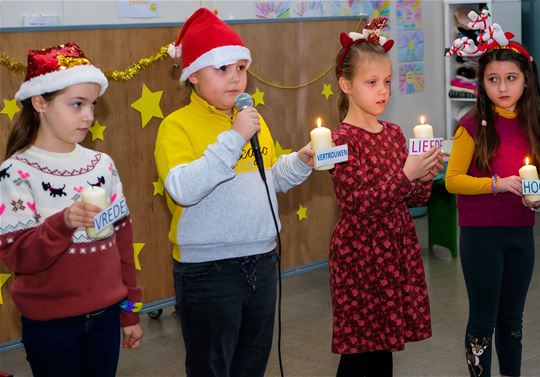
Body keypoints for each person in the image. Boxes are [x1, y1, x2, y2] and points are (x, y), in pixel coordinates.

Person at [154, 8, 314, 377]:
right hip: (208, 271)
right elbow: (183, 188)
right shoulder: (176, 126)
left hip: (261, 260)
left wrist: (302, 161)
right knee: (212, 367)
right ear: (193, 74)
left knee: (251, 365)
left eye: (241, 68)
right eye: (222, 69)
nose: (236, 79)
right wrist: (234, 137)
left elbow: (268, 180)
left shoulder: (251, 121)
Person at [0, 43, 143, 377]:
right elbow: (19, 257)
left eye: (92, 104)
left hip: (107, 317)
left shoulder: (102, 165)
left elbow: (123, 245)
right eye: (77, 104)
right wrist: (62, 223)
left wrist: (131, 311)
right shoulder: (16, 173)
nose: (89, 116)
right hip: (50, 326)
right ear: (40, 103)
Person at [328, 18, 443, 377]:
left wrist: (424, 177)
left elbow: (409, 198)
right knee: (360, 349)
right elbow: (359, 204)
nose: (383, 91)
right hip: (361, 255)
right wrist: (405, 175)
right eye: (372, 82)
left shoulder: (393, 133)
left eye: (388, 82)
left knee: (384, 345)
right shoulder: (340, 141)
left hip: (394, 249)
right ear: (346, 84)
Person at [445, 12, 540, 377]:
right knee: (483, 319)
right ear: (483, 83)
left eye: (511, 78)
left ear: (526, 81)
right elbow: (453, 180)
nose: (503, 87)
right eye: (493, 79)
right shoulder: (470, 127)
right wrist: (498, 184)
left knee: (513, 319)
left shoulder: (534, 125)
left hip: (521, 235)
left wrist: (538, 198)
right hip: (481, 237)